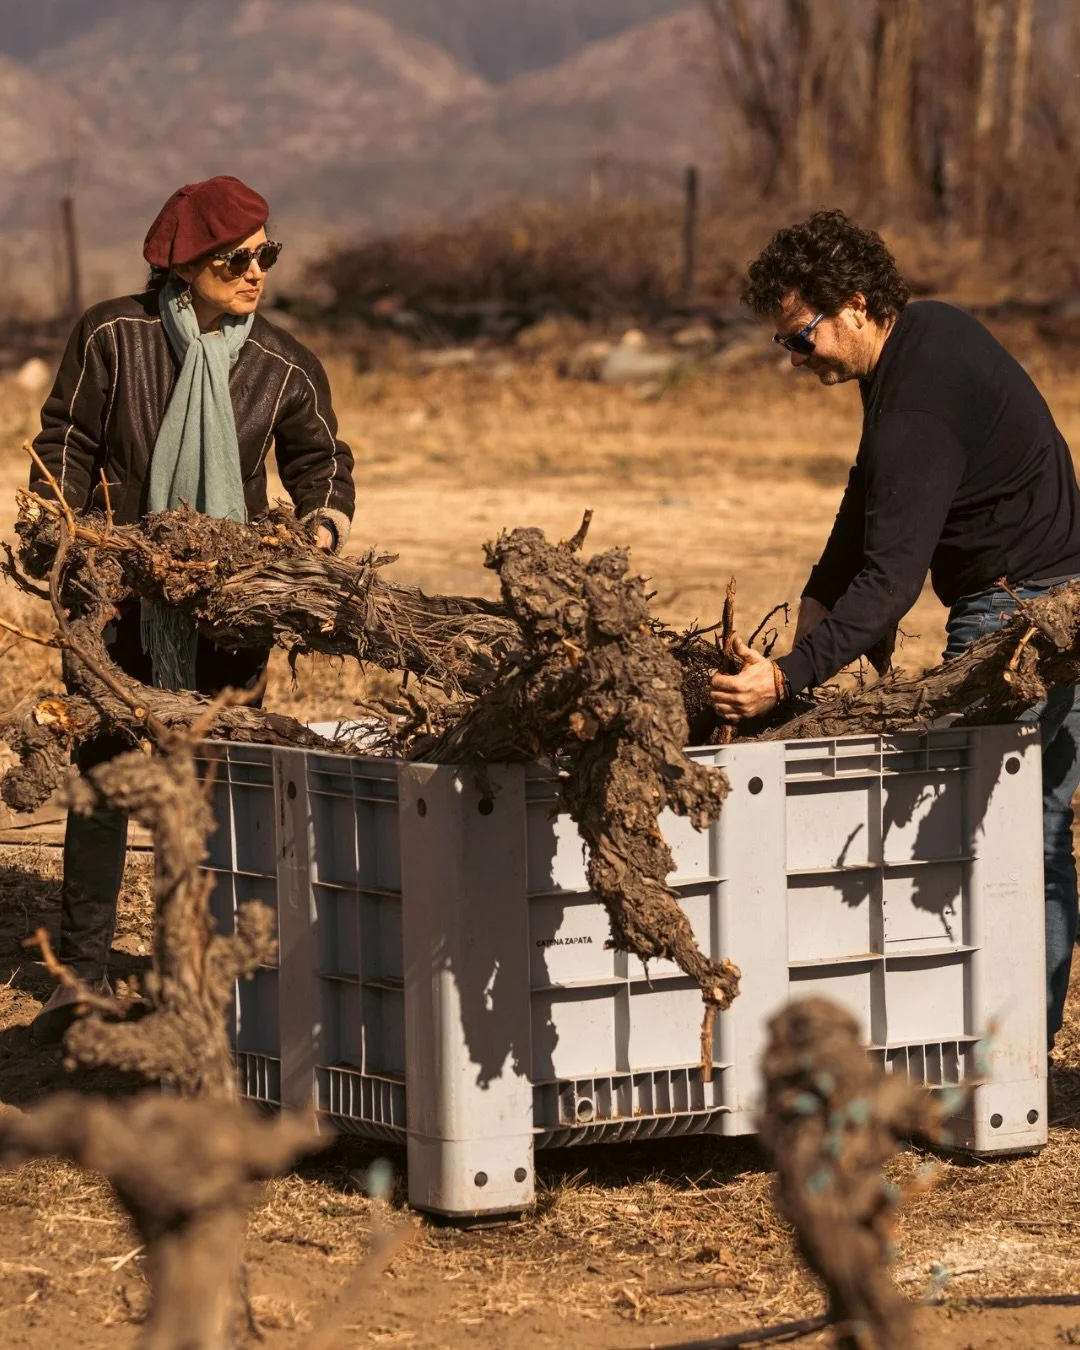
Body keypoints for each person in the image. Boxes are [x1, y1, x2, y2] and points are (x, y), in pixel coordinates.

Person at [709, 209, 1080, 1061]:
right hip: (1043, 595)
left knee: (982, 832)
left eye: (802, 339)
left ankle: (1004, 1055)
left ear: (858, 303)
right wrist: (815, 600)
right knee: (1032, 829)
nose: (795, 361)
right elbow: (868, 490)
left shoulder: (918, 391)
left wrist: (788, 677)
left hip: (1023, 616)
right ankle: (1012, 1048)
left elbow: (890, 587)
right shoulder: (923, 340)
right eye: (783, 346)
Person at [29, 175, 355, 1042]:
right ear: (184, 266)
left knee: (225, 781)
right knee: (99, 777)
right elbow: (65, 440)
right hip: (111, 601)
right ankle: (83, 972)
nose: (257, 273)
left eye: (266, 256)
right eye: (236, 259)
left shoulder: (282, 362)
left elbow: (324, 465)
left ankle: (214, 973)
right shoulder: (112, 336)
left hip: (228, 613)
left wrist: (315, 538)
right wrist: (62, 537)